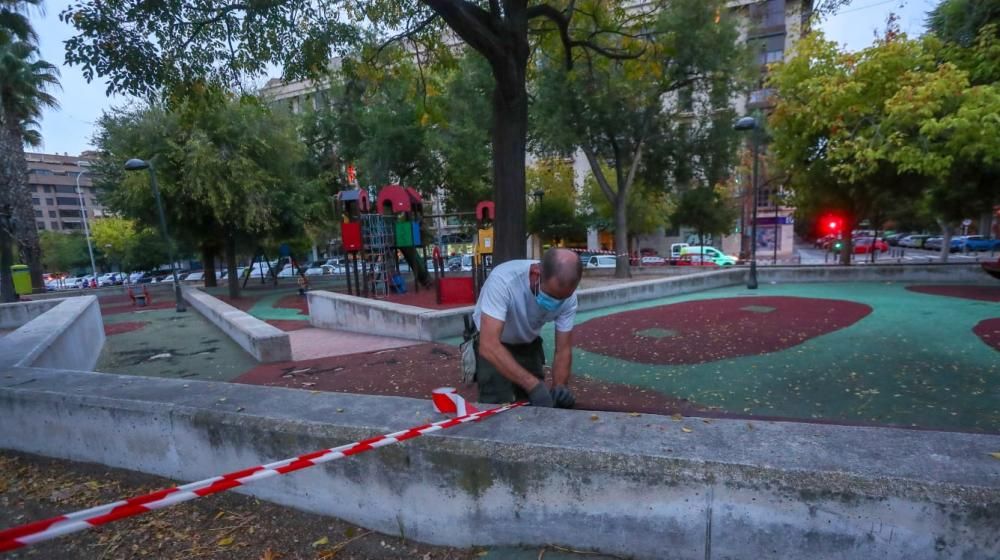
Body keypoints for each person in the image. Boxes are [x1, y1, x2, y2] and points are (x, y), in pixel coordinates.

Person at [472, 248, 582, 408]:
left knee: (536, 406)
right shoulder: (503, 280)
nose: (556, 303)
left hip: (528, 345)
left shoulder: (568, 297)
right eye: (551, 296)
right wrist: (534, 386)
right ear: (536, 274)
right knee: (497, 405)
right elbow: (489, 346)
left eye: (562, 299)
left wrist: (560, 387)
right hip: (495, 346)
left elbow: (563, 349)